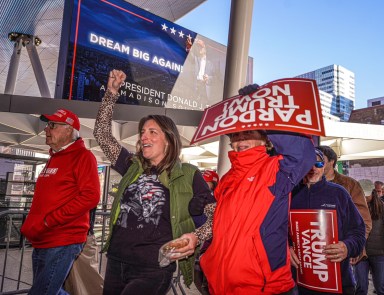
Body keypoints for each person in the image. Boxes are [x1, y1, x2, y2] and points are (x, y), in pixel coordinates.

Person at [93, 69, 212, 295]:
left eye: (152, 132)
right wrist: (111, 93)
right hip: (116, 261)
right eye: (142, 132)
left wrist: (197, 237)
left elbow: (216, 216)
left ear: (168, 140)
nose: (143, 136)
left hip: (152, 268)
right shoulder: (132, 166)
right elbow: (102, 134)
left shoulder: (188, 174)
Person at [177, 119, 317, 293]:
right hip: (219, 284)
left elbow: (304, 154)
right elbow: (218, 225)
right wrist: (197, 229)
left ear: (265, 139)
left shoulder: (276, 170)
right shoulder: (227, 179)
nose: (241, 139)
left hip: (263, 287)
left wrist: (266, 114)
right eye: (236, 135)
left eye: (249, 132)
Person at [21, 109, 100, 295]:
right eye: (47, 125)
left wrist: (50, 221)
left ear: (69, 130)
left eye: (52, 125)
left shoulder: (83, 157)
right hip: (42, 238)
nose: (46, 130)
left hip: (62, 239)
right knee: (51, 290)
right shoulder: (54, 157)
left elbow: (90, 196)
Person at [290, 148, 366, 294]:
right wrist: (287, 248)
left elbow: (358, 231)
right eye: (308, 164)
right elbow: (279, 231)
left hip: (337, 281)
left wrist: (347, 247)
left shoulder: (338, 193)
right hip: (301, 283)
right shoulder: (290, 194)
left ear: (324, 166)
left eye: (318, 164)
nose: (313, 169)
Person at [317, 145, 372, 293]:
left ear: (332, 162)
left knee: (354, 287)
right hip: (317, 254)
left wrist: (354, 247)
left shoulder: (349, 184)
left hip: (344, 252)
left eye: (322, 159)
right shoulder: (305, 184)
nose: (316, 162)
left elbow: (364, 220)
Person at [194, 169, 219, 295]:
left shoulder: (215, 202)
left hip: (212, 248)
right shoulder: (195, 200)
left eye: (207, 184)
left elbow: (209, 225)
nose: (202, 187)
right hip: (201, 247)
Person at [356, 189, 384, 295]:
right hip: (360, 253)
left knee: (380, 287)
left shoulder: (381, 207)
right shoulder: (354, 207)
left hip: (379, 253)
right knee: (361, 287)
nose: (365, 197)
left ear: (373, 193)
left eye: (367, 195)